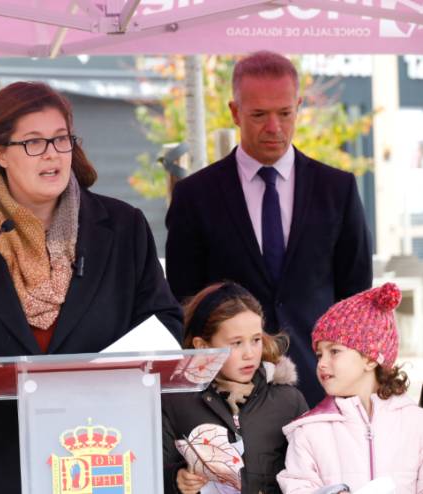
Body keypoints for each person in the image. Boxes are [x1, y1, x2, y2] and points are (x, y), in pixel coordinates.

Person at [0, 81, 184, 493]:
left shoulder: (123, 227)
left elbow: (165, 320)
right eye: (33, 142)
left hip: (99, 448)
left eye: (61, 139)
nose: (52, 153)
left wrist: (112, 372)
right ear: (0, 153)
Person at [165, 51, 372, 407]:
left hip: (321, 389)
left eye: (285, 113)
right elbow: (185, 303)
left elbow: (356, 298)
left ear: (299, 107)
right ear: (235, 112)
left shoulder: (337, 189)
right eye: (259, 115)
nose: (274, 127)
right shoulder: (194, 196)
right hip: (228, 397)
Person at [162, 282, 307, 494]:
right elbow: (147, 473)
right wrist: (176, 480)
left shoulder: (289, 401)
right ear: (202, 346)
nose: (249, 354)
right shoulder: (174, 402)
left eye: (256, 340)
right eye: (236, 343)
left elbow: (311, 474)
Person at [277, 283, 423, 493]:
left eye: (334, 351)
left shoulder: (416, 424)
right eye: (319, 354)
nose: (321, 363)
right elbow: (297, 486)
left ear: (370, 359)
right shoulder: (309, 431)